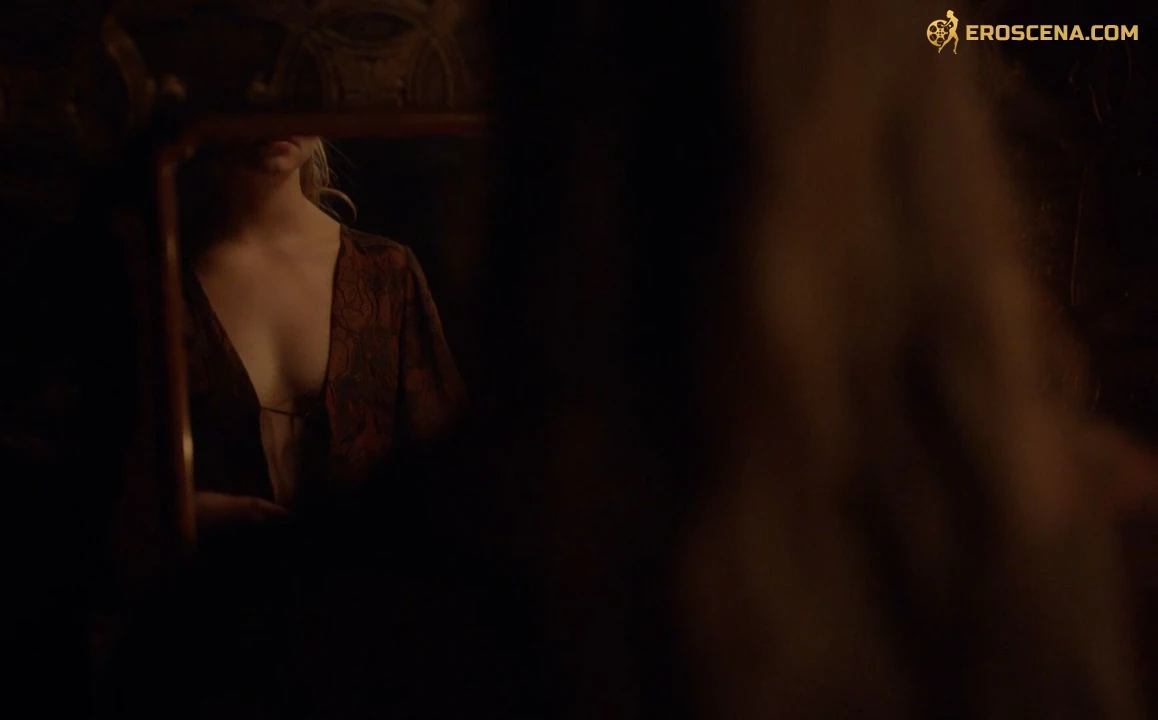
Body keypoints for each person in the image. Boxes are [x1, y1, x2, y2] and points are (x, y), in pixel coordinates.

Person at [180, 136, 467, 537]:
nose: (278, 119)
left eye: (295, 100)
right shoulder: (161, 280)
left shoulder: (384, 274)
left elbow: (456, 478)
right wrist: (182, 513)